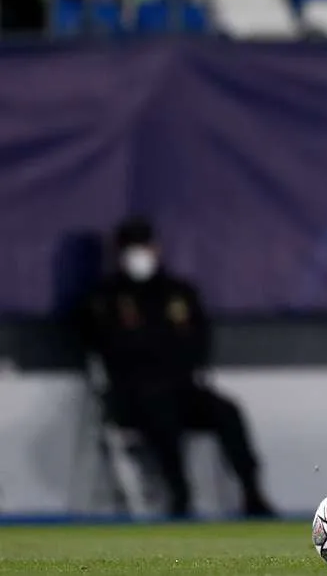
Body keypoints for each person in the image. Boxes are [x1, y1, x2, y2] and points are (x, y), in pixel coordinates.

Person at [74, 217, 275, 519]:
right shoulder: (105, 297)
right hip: (132, 396)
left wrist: (151, 345)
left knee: (227, 411)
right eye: (131, 248)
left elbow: (196, 342)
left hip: (182, 387)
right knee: (158, 407)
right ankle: (180, 495)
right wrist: (153, 347)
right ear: (119, 253)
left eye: (143, 246)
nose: (138, 254)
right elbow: (107, 345)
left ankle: (252, 492)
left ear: (155, 248)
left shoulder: (178, 292)